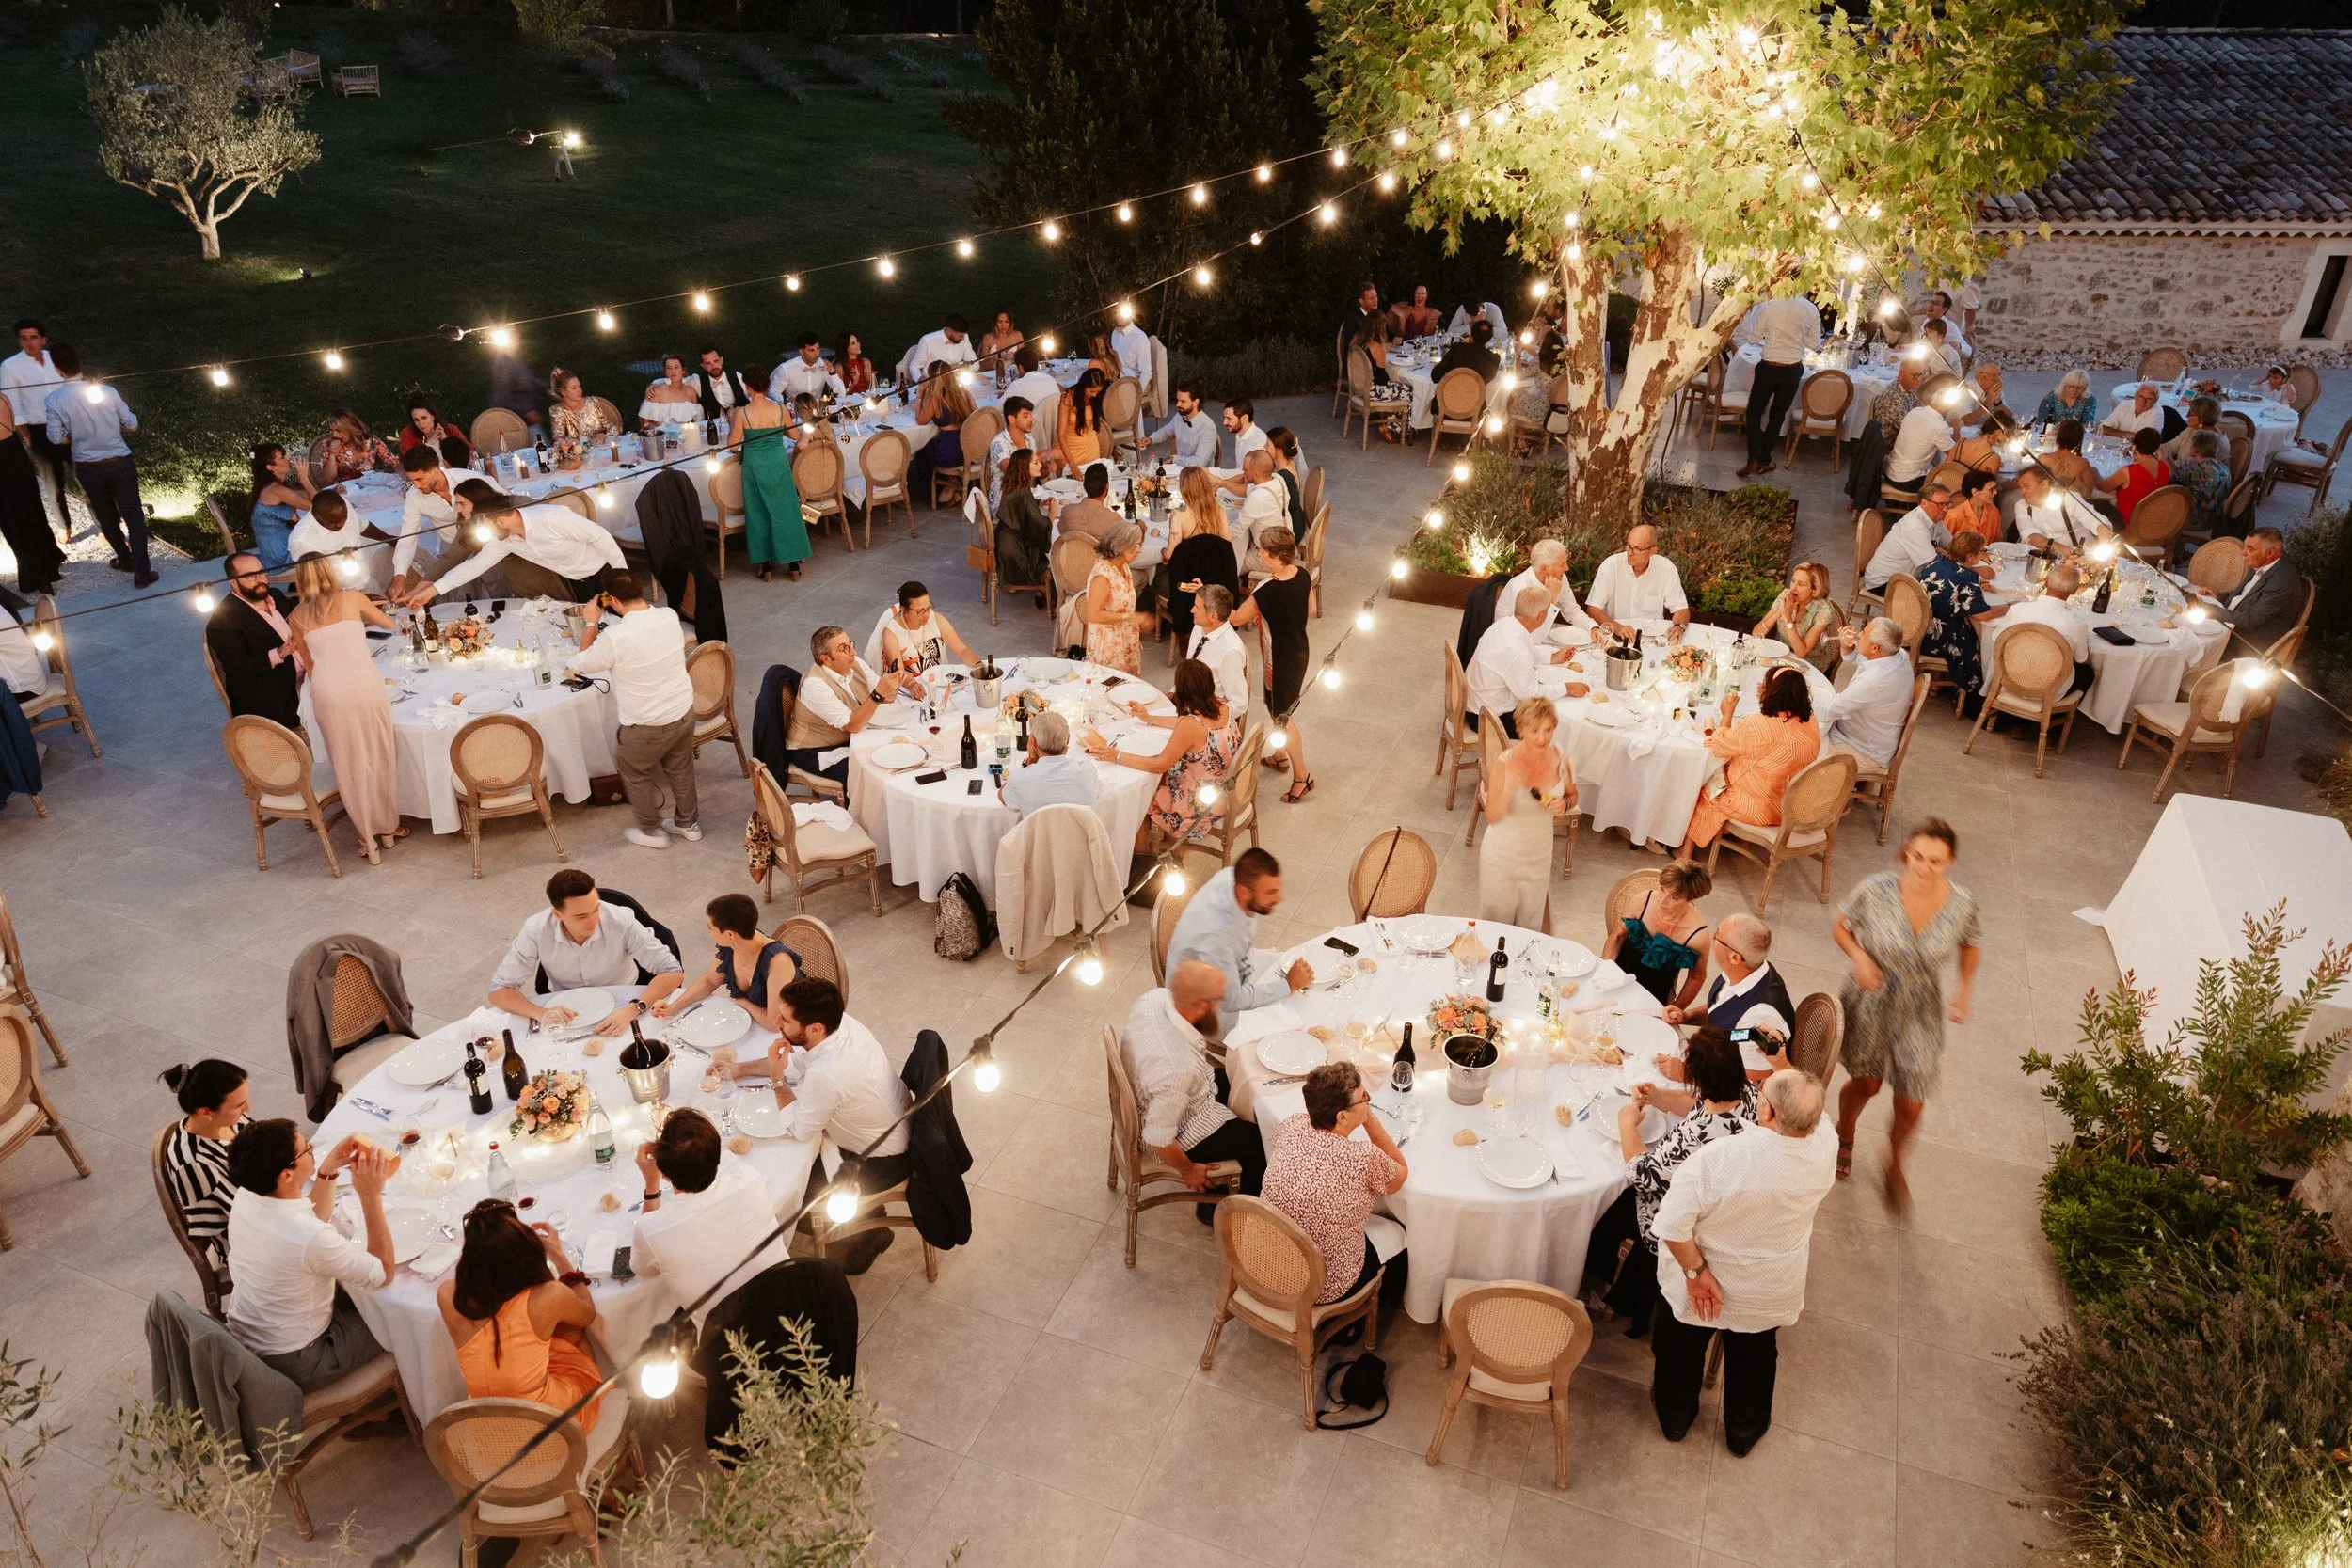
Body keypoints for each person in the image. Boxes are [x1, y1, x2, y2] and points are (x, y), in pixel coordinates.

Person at [1648, 1069, 1836, 1453]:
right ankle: (1743, 1432)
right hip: (1769, 1289)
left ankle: (1676, 1418)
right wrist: (1783, 1062)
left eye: (1761, 1094)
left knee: (1679, 1348)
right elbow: (1819, 1116)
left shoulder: (1718, 1158)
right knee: (1756, 1357)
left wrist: (1696, 1274)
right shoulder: (1826, 1147)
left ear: (1767, 1113)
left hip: (1704, 1290)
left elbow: (1672, 1225)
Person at [1833, 819, 1980, 1207]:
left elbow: (1971, 942)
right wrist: (1860, 957)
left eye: (1935, 861)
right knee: (1866, 1083)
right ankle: (1844, 1132)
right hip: (1871, 997)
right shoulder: (1875, 890)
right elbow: (1841, 926)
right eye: (1917, 857)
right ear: (1907, 853)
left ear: (1950, 861)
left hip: (1920, 1006)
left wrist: (1964, 989)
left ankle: (1895, 1161)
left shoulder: (1961, 903)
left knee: (1913, 1099)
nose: (1924, 867)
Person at [726, 975, 913, 1271]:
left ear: (814, 1028)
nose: (776, 1022)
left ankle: (867, 1238)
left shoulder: (827, 1073)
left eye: (785, 1020)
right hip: (896, 1125)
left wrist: (777, 1080)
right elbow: (798, 1064)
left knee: (785, 1190)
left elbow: (800, 1129)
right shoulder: (843, 1025)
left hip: (884, 1160)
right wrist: (740, 1070)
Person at [1586, 1026, 1754, 1338]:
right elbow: (1700, 1102)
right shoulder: (1748, 1094)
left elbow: (1642, 1174)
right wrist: (1660, 1097)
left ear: (1696, 1078)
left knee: (1602, 1204)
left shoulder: (1696, 1137)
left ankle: (1608, 1285)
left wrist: (1626, 1124)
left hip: (1679, 1222)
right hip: (1726, 1206)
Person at [222, 1120, 395, 1388]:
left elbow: (312, 1220)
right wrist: (371, 1197)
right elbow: (382, 1272)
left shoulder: (247, 1194)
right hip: (301, 1358)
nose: (312, 1147)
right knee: (402, 1320)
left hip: (251, 1336)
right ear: (286, 1175)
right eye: (305, 1149)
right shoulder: (308, 1237)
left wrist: (328, 1169)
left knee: (360, 1294)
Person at [1121, 961, 1266, 1218]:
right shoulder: (1178, 1068)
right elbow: (1157, 1137)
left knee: (1244, 1081)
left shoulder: (1154, 999)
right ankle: (1220, 1211)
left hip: (1162, 1090)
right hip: (1177, 1128)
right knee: (1256, 1143)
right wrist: (1189, 1170)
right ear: (1200, 1005)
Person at [439, 1199, 602, 1425]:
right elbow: (588, 1314)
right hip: (553, 1429)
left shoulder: (447, 1295)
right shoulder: (549, 1296)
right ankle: (596, 1396)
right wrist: (558, 1254)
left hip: (487, 1427)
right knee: (573, 1331)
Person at [566, 572, 698, 850]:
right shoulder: (669, 616)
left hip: (647, 724)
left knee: (634, 771)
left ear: (612, 600)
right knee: (680, 767)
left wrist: (590, 621)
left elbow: (580, 664)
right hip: (682, 710)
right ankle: (688, 824)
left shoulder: (615, 636)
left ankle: (651, 831)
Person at [287, 554, 402, 863]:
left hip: (328, 691)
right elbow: (390, 624)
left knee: (347, 764)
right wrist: (359, 619)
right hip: (364, 684)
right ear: (329, 571)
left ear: (300, 579)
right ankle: (387, 829)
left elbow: (310, 666)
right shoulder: (352, 597)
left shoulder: (295, 616)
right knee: (378, 753)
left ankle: (369, 839)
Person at [630, 1107, 793, 1323]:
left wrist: (652, 1184)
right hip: (792, 1307)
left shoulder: (652, 1229)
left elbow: (643, 1270)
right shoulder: (749, 1179)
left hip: (726, 1339)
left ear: (665, 1174)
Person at [1262, 1063, 1407, 1304]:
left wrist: (1359, 1109)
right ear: (1342, 1116)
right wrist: (1369, 1119)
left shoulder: (1293, 1124)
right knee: (1399, 1233)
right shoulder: (1363, 1157)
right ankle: (1365, 1313)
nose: (1369, 1100)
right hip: (1320, 1284)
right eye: (1364, 1097)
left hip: (1265, 1259)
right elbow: (1400, 1173)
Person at [487, 868, 687, 1031]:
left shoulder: (620, 920)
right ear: (558, 914)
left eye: (596, 909)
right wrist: (542, 1013)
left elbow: (672, 971)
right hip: (566, 1010)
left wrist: (634, 1008)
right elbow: (499, 990)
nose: (594, 920)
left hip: (623, 1001)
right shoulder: (536, 929)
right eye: (581, 916)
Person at [1087, 657, 1235, 847]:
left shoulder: (1191, 725)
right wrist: (1149, 718)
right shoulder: (1221, 706)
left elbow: (1158, 766)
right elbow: (1185, 726)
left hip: (1199, 804)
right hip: (1222, 789)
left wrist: (1116, 755)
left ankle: (1144, 855)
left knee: (1139, 798)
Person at [1679, 667, 1821, 860]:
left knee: (1707, 789)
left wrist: (1727, 713)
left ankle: (1684, 852)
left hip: (1758, 808)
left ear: (1773, 691)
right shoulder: (1811, 721)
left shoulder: (1755, 725)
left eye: (1766, 684)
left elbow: (1718, 746)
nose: (1761, 685)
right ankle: (1741, 841)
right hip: (1790, 805)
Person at [41, 344, 154, 586]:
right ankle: (142, 572)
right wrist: (112, 425)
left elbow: (55, 437)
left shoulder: (54, 400)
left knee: (106, 518)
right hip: (119, 463)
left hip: (88, 468)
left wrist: (73, 436)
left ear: (58, 371)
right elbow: (132, 424)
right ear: (79, 365)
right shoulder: (108, 392)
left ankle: (125, 558)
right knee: (134, 517)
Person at [1163, 848, 1311, 1029]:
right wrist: (1287, 985)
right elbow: (1232, 1000)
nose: (1279, 898)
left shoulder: (1232, 876)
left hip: (1234, 965)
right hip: (1205, 1008)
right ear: (1245, 892)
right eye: (1271, 892)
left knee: (1289, 968)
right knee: (1288, 1022)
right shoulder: (1217, 936)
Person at [405, 485, 624, 605]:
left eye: (489, 530)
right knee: (598, 628)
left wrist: (622, 578)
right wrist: (431, 591)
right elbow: (473, 567)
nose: (488, 537)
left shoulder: (551, 517)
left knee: (625, 620)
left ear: (501, 521)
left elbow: (601, 537)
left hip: (605, 576)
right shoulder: (505, 539)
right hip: (575, 584)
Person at [1228, 525, 1314, 800]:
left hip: (1279, 658)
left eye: (1263, 550)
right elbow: (1311, 608)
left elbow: (1237, 618)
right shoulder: (1302, 574)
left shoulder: (1267, 590)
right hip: (1297, 649)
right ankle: (1280, 755)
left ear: (1276, 554)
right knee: (1273, 704)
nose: (1259, 554)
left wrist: (1211, 598)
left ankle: (1302, 776)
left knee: (1282, 717)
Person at [1478, 695, 1575, 929]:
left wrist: (1565, 804)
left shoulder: (1562, 759)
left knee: (1531, 922)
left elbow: (1573, 795)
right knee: (1495, 925)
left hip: (1539, 855)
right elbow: (1492, 816)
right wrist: (1510, 787)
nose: (1542, 738)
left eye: (1548, 730)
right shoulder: (1504, 763)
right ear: (1521, 730)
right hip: (1502, 856)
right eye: (1534, 731)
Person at [653, 892, 801, 1032]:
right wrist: (673, 1008)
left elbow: (774, 1024)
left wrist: (743, 1003)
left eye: (711, 928)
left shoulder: (778, 962)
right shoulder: (733, 945)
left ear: (730, 934)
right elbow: (709, 981)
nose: (708, 930)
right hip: (754, 1022)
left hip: (793, 1029)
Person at [158, 1059, 251, 1270]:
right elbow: (241, 1224)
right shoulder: (193, 1166)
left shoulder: (230, 1120)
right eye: (239, 1105)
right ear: (206, 1112)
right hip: (249, 1251)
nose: (247, 1108)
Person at [788, 624, 908, 784]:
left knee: (897, 752)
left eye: (850, 644)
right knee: (872, 775)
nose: (853, 652)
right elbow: (853, 725)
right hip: (816, 750)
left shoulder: (854, 662)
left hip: (849, 736)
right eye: (843, 648)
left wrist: (892, 685)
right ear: (826, 659)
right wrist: (879, 693)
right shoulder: (815, 685)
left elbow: (885, 696)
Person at [389, 445, 505, 595]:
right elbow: (408, 537)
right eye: (412, 481)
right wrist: (399, 576)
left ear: (436, 471)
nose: (416, 486)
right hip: (451, 547)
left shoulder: (467, 478)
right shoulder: (414, 496)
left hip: (485, 542)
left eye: (419, 479)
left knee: (498, 589)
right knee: (463, 597)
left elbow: (505, 499)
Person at [728, 373, 810, 583]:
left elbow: (733, 444)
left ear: (748, 387)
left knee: (757, 511)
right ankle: (793, 562)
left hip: (754, 464)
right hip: (777, 462)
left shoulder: (742, 412)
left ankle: (765, 565)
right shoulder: (780, 409)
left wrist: (731, 421)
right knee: (786, 509)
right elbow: (794, 435)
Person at [206, 553, 302, 729]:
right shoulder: (222, 622)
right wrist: (280, 653)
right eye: (250, 576)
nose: (260, 579)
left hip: (308, 678)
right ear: (233, 582)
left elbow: (302, 619)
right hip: (275, 697)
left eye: (261, 572)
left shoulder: (275, 596)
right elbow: (238, 668)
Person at [1603, 859, 1713, 1010]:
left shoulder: (1697, 935)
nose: (1662, 900)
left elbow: (1697, 977)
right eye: (1662, 889)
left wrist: (1674, 1009)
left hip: (1653, 997)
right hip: (1616, 978)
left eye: (1674, 897)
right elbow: (1618, 936)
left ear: (1691, 898)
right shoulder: (1643, 900)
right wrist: (1605, 969)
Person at [1467, 584, 1576, 736]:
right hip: (1488, 719)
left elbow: (1524, 652)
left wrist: (1553, 657)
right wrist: (1567, 688)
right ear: (1540, 616)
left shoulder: (1504, 624)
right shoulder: (1517, 650)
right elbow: (1530, 694)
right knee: (1556, 728)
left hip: (1479, 702)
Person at [1735, 290, 1822, 478]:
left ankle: (1753, 458)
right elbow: (1815, 344)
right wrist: (1797, 337)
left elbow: (1753, 338)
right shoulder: (1810, 308)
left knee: (1754, 413)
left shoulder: (1770, 305)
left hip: (1768, 366)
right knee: (1777, 415)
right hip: (1792, 369)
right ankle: (1764, 460)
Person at [1817, 617, 1915, 768]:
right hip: (1872, 738)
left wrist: (1794, 698)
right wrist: (1846, 647)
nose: (1858, 634)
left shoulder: (1873, 681)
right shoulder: (1898, 654)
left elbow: (1828, 711)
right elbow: (1856, 658)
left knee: (1799, 748)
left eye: (1863, 633)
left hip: (1862, 749)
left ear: (1874, 648)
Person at [1918, 530, 2005, 702]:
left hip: (1920, 625)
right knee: (1980, 640)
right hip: (1939, 636)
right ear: (1970, 556)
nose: (1984, 554)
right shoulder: (1966, 577)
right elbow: (1982, 614)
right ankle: (1971, 691)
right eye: (1982, 551)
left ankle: (1936, 679)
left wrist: (1975, 585)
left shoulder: (1937, 561)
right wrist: (2007, 607)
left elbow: (1950, 586)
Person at [2, 320, 69, 537]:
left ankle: (103, 526)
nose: (29, 343)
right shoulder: (10, 367)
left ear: (43, 339)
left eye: (33, 337)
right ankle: (63, 525)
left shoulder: (55, 359)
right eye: (24, 338)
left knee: (85, 474)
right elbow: (12, 403)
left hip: (68, 424)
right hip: (39, 429)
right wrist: (27, 435)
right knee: (53, 482)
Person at [1994, 562, 2094, 695]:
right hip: (2049, 690)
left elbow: (1996, 639)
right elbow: (2080, 658)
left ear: (2046, 583)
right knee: (2087, 672)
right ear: (2074, 591)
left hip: (2009, 678)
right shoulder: (2077, 623)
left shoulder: (2018, 609)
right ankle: (2049, 707)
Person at [2199, 526, 2304, 648]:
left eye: (2250, 549)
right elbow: (2245, 595)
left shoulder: (2282, 582)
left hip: (2245, 642)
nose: (2243, 553)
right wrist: (2219, 596)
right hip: (2231, 623)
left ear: (2270, 553)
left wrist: (2208, 609)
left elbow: (2250, 620)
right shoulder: (2262, 563)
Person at [1166, 473, 1240, 644]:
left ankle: (1179, 630)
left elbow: (1170, 555)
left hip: (1188, 585)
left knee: (1156, 578)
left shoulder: (1179, 514)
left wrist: (1163, 551)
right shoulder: (1218, 510)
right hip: (1217, 580)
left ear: (1184, 489)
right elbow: (1227, 546)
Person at [0, 401, 62, 594]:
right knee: (32, 511)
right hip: (16, 456)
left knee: (12, 520)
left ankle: (35, 575)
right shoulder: (4, 399)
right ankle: (48, 564)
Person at [1584, 524, 1691, 637]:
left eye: (1637, 549)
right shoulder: (1611, 566)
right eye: (1628, 546)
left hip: (1652, 637)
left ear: (1652, 551)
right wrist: (1617, 628)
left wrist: (1679, 627)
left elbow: (1681, 609)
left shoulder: (1666, 569)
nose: (1630, 553)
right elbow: (1593, 609)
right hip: (1616, 636)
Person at [288, 490, 395, 593]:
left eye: (344, 519)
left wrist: (389, 539)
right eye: (333, 522)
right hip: (339, 592)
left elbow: (362, 525)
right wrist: (356, 597)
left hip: (364, 577)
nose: (340, 524)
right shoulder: (301, 541)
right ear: (315, 515)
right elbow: (313, 581)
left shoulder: (342, 507)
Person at [1080, 524, 1152, 675]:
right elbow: (1093, 615)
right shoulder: (1103, 576)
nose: (1139, 550)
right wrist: (1131, 617)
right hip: (1108, 645)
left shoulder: (1123, 566)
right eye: (1135, 546)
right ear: (1120, 546)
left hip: (1125, 637)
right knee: (1112, 685)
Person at [1000, 709, 1099, 816]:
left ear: (1032, 741)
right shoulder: (1088, 771)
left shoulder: (1019, 779)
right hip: (1079, 828)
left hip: (1037, 828)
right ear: (1068, 739)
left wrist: (1031, 762)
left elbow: (1002, 796)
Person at [866, 580, 978, 673]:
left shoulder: (936, 619)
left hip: (939, 680)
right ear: (904, 610)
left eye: (928, 608)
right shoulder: (891, 632)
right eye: (920, 611)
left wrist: (978, 665)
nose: (926, 615)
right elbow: (898, 671)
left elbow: (961, 650)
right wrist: (912, 685)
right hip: (909, 687)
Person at [1175, 583, 1248, 719]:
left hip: (1206, 716)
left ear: (1213, 616)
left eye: (1197, 607)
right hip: (1185, 704)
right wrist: (1174, 691)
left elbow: (1239, 704)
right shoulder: (1199, 627)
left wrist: (1206, 719)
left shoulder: (1230, 651)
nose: (1191, 610)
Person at [1500, 540, 1596, 641]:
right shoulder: (1519, 588)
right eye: (1562, 564)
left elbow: (1572, 610)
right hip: (1511, 643)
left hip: (1539, 639)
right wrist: (1550, 599)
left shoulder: (1559, 579)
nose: (1567, 568)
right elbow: (1531, 638)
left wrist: (1592, 627)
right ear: (1545, 569)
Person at [1860, 486, 1952, 592]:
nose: (1946, 509)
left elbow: (1952, 545)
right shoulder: (1914, 526)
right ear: (1924, 502)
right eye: (1940, 504)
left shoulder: (1936, 519)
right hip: (1885, 583)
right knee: (1948, 591)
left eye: (1948, 504)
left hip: (1905, 579)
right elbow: (1934, 567)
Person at [1752, 562, 1836, 672]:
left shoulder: (1824, 612)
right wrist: (1779, 613)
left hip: (1809, 667)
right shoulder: (1785, 595)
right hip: (1782, 658)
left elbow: (1801, 652)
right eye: (1793, 581)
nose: (1793, 588)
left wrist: (1787, 619)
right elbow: (1756, 633)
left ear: (1814, 589)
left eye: (1800, 584)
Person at [244, 442, 312, 571]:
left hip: (272, 549)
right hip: (281, 555)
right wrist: (304, 479)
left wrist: (332, 491)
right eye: (282, 457)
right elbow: (315, 506)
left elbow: (302, 494)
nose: (288, 459)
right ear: (270, 467)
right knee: (324, 538)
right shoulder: (275, 490)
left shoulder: (270, 486)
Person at [993, 449, 1053, 591]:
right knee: (1048, 546)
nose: (1040, 465)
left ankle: (1041, 589)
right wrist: (1051, 514)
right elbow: (1039, 524)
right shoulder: (1023, 493)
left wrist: (1039, 503)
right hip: (1015, 553)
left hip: (1005, 543)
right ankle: (1043, 586)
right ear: (1024, 467)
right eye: (1036, 463)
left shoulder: (1014, 486)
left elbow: (1020, 508)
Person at [2011, 465, 2107, 551]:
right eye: (2020, 488)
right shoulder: (2021, 506)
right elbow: (2029, 535)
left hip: (2082, 554)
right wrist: (2063, 550)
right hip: (2047, 556)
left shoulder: (2067, 498)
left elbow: (2096, 521)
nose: (2022, 493)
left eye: (2027, 486)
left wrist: (2105, 543)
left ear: (2044, 484)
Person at [912, 372, 974, 499]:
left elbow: (921, 420)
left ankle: (931, 493)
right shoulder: (963, 393)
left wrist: (919, 396)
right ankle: (952, 485)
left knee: (922, 448)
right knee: (934, 445)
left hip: (949, 454)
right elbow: (976, 415)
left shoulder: (936, 399)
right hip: (968, 450)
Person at [2094, 427, 2170, 525]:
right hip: (2152, 522)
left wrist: (2094, 472)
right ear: (2156, 448)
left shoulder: (2128, 472)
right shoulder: (2165, 468)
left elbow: (2103, 487)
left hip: (2128, 523)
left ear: (2135, 446)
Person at [1235, 450, 1290, 571]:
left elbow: (1235, 532)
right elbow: (1248, 490)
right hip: (1287, 547)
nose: (1243, 471)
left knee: (1228, 565)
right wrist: (1223, 483)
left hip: (1269, 556)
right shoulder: (1279, 479)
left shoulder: (1257, 497)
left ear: (1255, 474)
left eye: (1245, 469)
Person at [1883, 398, 1953, 492]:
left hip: (1889, 473)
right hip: (1908, 481)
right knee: (1949, 483)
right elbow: (1954, 453)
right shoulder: (1940, 427)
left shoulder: (1914, 412)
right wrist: (1956, 429)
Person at [1145, 382, 1219, 467]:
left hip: (1200, 472)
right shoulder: (1179, 416)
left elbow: (1199, 462)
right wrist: (1151, 439)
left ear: (1196, 402)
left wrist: (1174, 459)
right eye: (1177, 400)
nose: (1177, 404)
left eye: (1183, 401)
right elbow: (1166, 431)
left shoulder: (1208, 427)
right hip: (1179, 468)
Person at [2173, 429, 2233, 535]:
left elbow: (2178, 480)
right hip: (2217, 516)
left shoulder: (2202, 470)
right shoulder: (2221, 466)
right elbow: (2182, 474)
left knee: (2160, 509)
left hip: (2201, 519)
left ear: (2195, 449)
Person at [988, 396, 1039, 510]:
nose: (1031, 419)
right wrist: (1043, 456)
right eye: (1026, 416)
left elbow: (1032, 472)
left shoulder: (1029, 439)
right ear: (1011, 419)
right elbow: (1010, 470)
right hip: (1004, 505)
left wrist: (1045, 468)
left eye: (1031, 415)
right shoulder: (999, 443)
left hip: (1026, 497)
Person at [546, 371, 620, 448]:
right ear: (563, 392)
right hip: (580, 454)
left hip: (603, 449)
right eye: (574, 388)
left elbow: (611, 427)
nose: (579, 390)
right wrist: (589, 440)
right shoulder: (557, 411)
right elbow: (559, 442)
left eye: (579, 386)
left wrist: (611, 434)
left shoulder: (592, 402)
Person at [317, 410, 393, 483]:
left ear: (350, 428)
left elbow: (393, 462)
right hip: (343, 490)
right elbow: (330, 479)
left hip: (367, 488)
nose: (335, 435)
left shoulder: (372, 442)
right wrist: (332, 455)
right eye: (332, 431)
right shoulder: (330, 444)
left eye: (338, 431)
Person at [1058, 367, 1110, 473]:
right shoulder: (1068, 398)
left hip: (1091, 449)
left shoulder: (1095, 398)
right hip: (1071, 451)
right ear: (1084, 386)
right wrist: (1072, 465)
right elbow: (1060, 435)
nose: (1094, 395)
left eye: (1097, 392)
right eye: (1092, 391)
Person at [399, 397, 474, 468]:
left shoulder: (451, 430)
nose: (421, 423)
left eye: (424, 418)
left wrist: (448, 442)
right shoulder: (407, 434)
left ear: (433, 416)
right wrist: (428, 444)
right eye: (416, 420)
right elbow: (409, 463)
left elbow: (471, 453)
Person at [771, 334, 845, 404]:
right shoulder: (787, 369)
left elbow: (841, 394)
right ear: (801, 351)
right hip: (794, 409)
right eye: (811, 350)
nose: (817, 354)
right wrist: (786, 400)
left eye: (818, 349)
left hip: (817, 409)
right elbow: (772, 393)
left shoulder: (824, 365)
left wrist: (832, 373)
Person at [1058, 461, 1120, 544]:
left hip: (1071, 552)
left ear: (1084, 486)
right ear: (1107, 487)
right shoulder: (1114, 520)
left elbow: (1063, 535)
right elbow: (1130, 541)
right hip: (1100, 552)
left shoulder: (1066, 512)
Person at [2156, 395, 2223, 468]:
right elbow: (2170, 446)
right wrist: (2153, 450)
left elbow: (2194, 468)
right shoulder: (2191, 430)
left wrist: (2168, 461)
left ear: (2201, 418)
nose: (2186, 415)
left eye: (2190, 413)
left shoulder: (2214, 441)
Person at [641, 353, 705, 430]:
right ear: (666, 372)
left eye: (676, 367)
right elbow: (646, 423)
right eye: (669, 368)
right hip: (663, 435)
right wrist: (663, 432)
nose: (673, 371)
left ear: (683, 370)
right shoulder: (657, 391)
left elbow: (696, 420)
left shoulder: (691, 392)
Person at [907, 314, 977, 383]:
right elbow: (914, 366)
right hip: (933, 383)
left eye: (964, 335)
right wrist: (920, 379)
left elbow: (976, 364)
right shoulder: (928, 340)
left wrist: (962, 366)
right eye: (960, 336)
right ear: (949, 330)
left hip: (956, 382)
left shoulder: (965, 338)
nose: (963, 338)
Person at [1434, 317, 1502, 387]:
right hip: (1476, 393)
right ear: (1490, 338)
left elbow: (1435, 377)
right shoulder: (1494, 359)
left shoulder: (1457, 349)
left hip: (1448, 393)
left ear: (1471, 334)